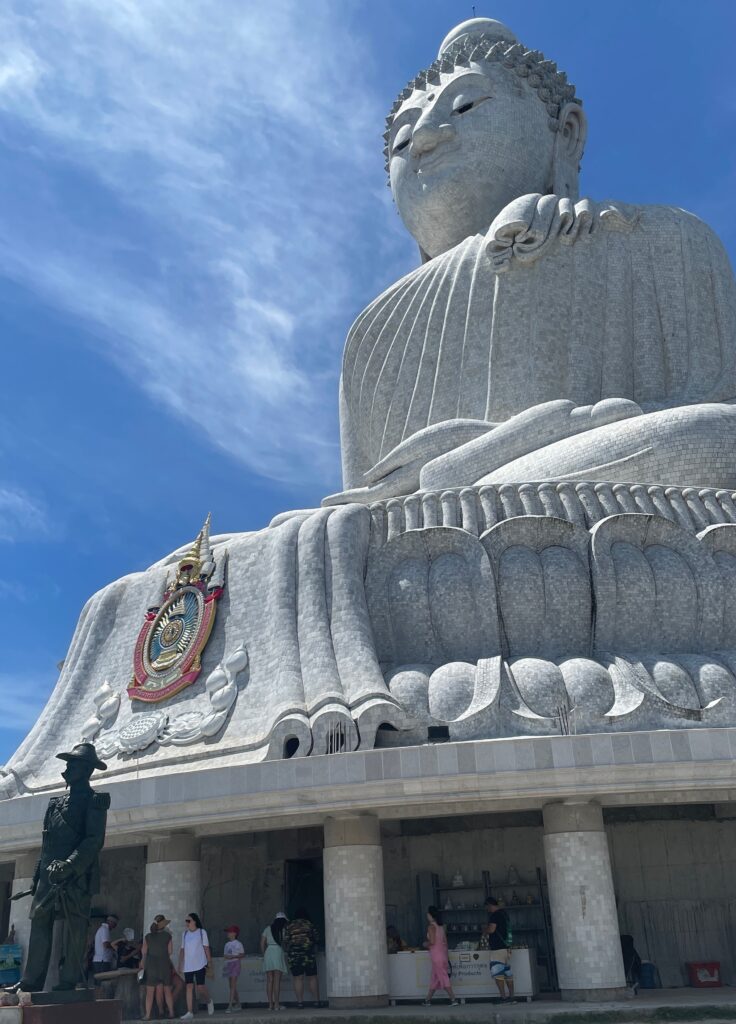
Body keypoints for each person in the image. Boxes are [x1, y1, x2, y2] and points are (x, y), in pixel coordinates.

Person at [177, 912, 214, 1020]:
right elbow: (182, 950)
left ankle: (209, 1001)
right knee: (188, 987)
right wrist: (180, 964)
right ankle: (189, 1011)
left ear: (194, 921)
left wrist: (209, 962)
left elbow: (206, 948)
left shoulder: (202, 932)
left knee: (200, 987)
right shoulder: (184, 934)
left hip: (200, 964)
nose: (187, 923)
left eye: (189, 921)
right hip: (188, 965)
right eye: (186, 921)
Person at [284, 908, 320, 1008]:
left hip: (294, 955)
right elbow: (316, 938)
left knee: (298, 978)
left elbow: (285, 940)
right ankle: (317, 1001)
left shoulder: (289, 926)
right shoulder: (309, 924)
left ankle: (300, 1002)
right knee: (312, 977)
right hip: (308, 954)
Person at [141, 915, 175, 1021]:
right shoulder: (168, 936)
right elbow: (170, 952)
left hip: (151, 966)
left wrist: (142, 963)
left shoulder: (148, 937)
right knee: (167, 991)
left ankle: (147, 1015)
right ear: (163, 925)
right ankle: (171, 1012)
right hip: (164, 965)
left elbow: (144, 952)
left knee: (150, 993)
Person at [422, 906, 458, 1006]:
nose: (426, 916)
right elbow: (445, 942)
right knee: (435, 978)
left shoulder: (431, 927)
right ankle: (427, 1000)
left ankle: (453, 999)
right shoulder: (441, 927)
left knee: (443, 977)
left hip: (436, 956)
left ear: (430, 915)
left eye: (427, 914)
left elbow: (432, 941)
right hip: (442, 955)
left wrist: (425, 944)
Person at [484, 896, 515, 1004]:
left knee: (498, 973)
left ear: (490, 905)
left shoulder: (494, 915)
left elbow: (492, 929)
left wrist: (485, 930)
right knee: (507, 973)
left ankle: (503, 997)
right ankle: (512, 997)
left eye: (487, 907)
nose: (487, 909)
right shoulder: (504, 914)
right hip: (506, 948)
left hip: (497, 949)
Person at [261, 915, 288, 1011]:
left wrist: (264, 954)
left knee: (269, 981)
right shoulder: (283, 930)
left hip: (268, 952)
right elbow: (285, 943)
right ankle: (277, 1005)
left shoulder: (267, 928)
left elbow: (262, 942)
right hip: (278, 952)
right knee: (277, 981)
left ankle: (270, 1005)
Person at [222, 924, 244, 1014]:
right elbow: (225, 955)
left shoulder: (238, 944)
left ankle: (230, 1005)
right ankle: (238, 1004)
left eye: (229, 932)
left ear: (234, 933)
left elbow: (242, 954)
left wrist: (234, 956)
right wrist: (228, 957)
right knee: (231, 986)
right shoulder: (226, 944)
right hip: (228, 964)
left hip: (235, 963)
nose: (228, 933)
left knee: (233, 985)